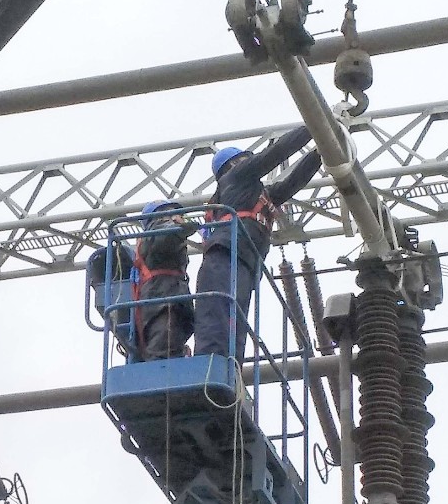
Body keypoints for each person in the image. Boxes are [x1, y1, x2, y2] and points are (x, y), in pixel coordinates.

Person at [194, 127, 323, 360]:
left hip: (243, 260)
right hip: (225, 255)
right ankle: (211, 369)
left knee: (236, 324)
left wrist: (320, 152)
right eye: (246, 159)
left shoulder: (256, 194)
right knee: (218, 320)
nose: (251, 162)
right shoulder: (235, 177)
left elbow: (293, 182)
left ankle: (230, 371)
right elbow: (276, 152)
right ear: (234, 164)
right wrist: (315, 127)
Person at [133, 200, 196, 361]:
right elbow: (164, 237)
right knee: (163, 351)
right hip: (163, 298)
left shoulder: (154, 235)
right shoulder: (157, 229)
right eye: (176, 213)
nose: (181, 217)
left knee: (168, 346)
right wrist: (179, 230)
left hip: (167, 297)